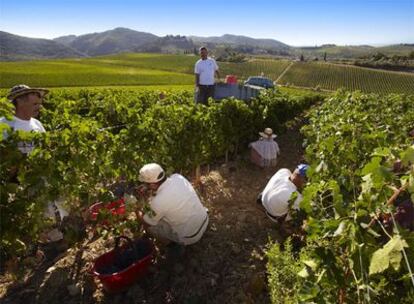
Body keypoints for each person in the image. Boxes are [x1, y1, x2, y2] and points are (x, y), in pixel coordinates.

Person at [138, 163, 209, 246]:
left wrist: (137, 208)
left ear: (153, 184)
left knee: (150, 225)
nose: (144, 185)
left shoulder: (158, 202)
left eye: (146, 183)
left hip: (191, 237)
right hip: (204, 220)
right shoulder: (177, 177)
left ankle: (173, 246)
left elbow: (147, 222)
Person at [1, 84, 48, 154]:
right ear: (20, 102)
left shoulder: (37, 124)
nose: (39, 107)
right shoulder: (3, 124)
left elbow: (45, 148)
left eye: (39, 104)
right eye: (35, 104)